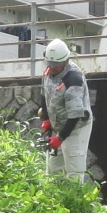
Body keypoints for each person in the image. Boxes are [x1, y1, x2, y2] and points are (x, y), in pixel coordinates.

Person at [38, 38, 93, 181]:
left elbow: (75, 115)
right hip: (59, 124)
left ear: (66, 60)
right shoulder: (48, 72)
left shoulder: (73, 79)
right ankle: (55, 200)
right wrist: (46, 119)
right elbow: (44, 95)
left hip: (76, 127)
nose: (52, 67)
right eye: (50, 63)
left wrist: (60, 138)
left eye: (56, 64)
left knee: (74, 170)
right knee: (53, 169)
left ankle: (75, 200)